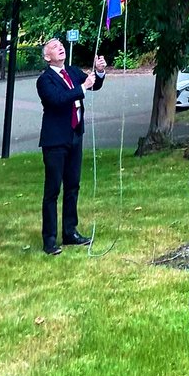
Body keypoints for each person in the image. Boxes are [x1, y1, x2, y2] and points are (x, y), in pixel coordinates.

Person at [36, 38, 106, 256]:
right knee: (52, 190)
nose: (61, 48)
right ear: (48, 57)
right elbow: (58, 100)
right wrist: (82, 88)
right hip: (55, 140)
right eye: (55, 47)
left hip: (75, 136)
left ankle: (70, 232)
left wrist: (99, 72)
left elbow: (93, 85)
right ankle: (49, 240)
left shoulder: (73, 72)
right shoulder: (45, 80)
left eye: (61, 46)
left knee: (73, 186)